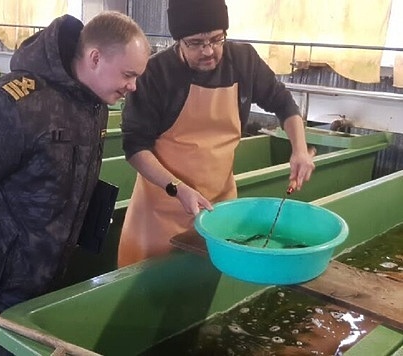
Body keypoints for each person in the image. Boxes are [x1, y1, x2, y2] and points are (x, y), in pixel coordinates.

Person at [0, 11, 150, 355]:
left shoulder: (93, 105)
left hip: (36, 285)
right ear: (95, 58)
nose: (133, 86)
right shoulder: (17, 104)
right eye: (128, 74)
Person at [118, 0, 315, 267]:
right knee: (153, 290)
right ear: (178, 40)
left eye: (216, 39)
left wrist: (300, 151)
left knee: (207, 286)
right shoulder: (155, 74)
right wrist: (177, 188)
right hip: (161, 208)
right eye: (196, 43)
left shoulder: (243, 61)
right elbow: (135, 147)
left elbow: (283, 103)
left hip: (219, 208)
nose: (208, 51)